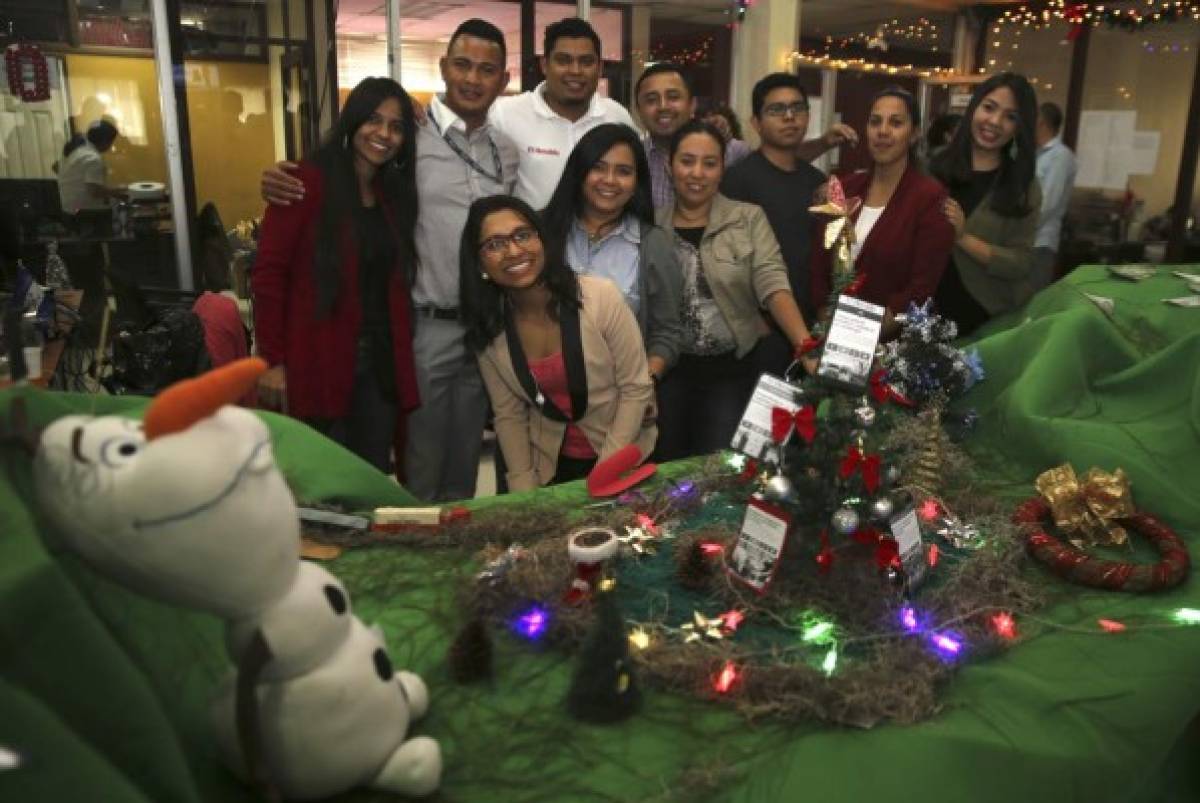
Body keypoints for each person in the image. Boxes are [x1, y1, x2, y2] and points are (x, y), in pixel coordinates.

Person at [262, 19, 518, 501]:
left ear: (503, 80)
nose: (472, 78)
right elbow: (341, 179)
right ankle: (415, 555)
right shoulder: (411, 138)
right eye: (462, 64)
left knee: (465, 455)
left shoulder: (506, 150)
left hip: (485, 326)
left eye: (487, 70)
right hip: (423, 324)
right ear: (443, 68)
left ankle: (456, 559)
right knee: (417, 461)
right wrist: (279, 176)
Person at [252, 77, 420, 472]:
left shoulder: (391, 194)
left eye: (396, 127)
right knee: (322, 479)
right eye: (374, 121)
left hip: (379, 367)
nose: (384, 134)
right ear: (353, 121)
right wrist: (272, 361)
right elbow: (268, 276)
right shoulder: (305, 181)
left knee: (371, 475)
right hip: (318, 359)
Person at [460, 195, 656, 491]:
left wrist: (605, 474)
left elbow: (636, 388)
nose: (513, 251)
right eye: (495, 244)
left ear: (542, 240)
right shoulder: (489, 328)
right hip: (550, 465)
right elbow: (508, 415)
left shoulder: (601, 297)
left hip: (622, 454)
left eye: (522, 235)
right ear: (479, 263)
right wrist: (523, 491)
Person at [654, 121, 815, 461]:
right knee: (668, 466)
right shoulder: (651, 227)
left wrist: (805, 346)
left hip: (731, 368)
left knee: (718, 465)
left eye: (709, 163)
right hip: (668, 371)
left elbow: (772, 283)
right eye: (687, 161)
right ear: (670, 165)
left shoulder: (747, 218)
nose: (697, 173)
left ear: (722, 168)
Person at [540, 123, 683, 383]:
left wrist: (644, 384)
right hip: (543, 393)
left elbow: (667, 332)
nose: (610, 180)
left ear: (637, 182)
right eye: (598, 167)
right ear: (580, 172)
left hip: (620, 395)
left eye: (624, 171)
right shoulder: (540, 232)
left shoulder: (654, 243)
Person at [810, 87, 955, 337]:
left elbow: (920, 290)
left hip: (891, 346)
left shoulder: (930, 198)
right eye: (875, 122)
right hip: (830, 336)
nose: (883, 131)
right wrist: (830, 332)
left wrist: (859, 338)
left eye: (896, 123)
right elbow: (818, 269)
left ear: (914, 134)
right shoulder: (843, 189)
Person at [634, 62, 856, 208]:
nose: (663, 106)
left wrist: (823, 143)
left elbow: (776, 164)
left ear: (692, 104)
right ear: (638, 109)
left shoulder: (730, 150)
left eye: (673, 97)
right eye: (651, 100)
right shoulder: (632, 160)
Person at [721, 73, 827, 372]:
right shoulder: (737, 181)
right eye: (777, 110)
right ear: (756, 122)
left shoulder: (818, 183)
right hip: (760, 334)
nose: (790, 117)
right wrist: (752, 319)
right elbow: (725, 262)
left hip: (811, 328)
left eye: (798, 108)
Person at [931, 72, 1042, 336]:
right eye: (989, 107)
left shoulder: (1023, 186)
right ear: (974, 108)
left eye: (1010, 116)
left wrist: (963, 238)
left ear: (1019, 127)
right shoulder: (934, 166)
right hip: (924, 317)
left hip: (987, 323)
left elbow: (1020, 262)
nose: (994, 121)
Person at [488, 17, 635, 208]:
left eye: (586, 62)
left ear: (599, 68)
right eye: (564, 60)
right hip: (534, 235)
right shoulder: (505, 114)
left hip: (602, 236)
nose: (575, 71)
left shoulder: (617, 116)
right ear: (544, 65)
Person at [1031, 101, 1077, 290]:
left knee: (1032, 299)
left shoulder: (1061, 156)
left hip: (1040, 242)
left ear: (1041, 123)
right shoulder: (1036, 154)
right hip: (1024, 242)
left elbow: (1048, 203)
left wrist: (1023, 229)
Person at [57, 119, 123, 216]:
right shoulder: (93, 159)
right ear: (105, 141)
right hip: (86, 213)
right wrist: (120, 192)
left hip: (67, 208)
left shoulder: (76, 150)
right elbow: (95, 192)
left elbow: (55, 166)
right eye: (111, 142)